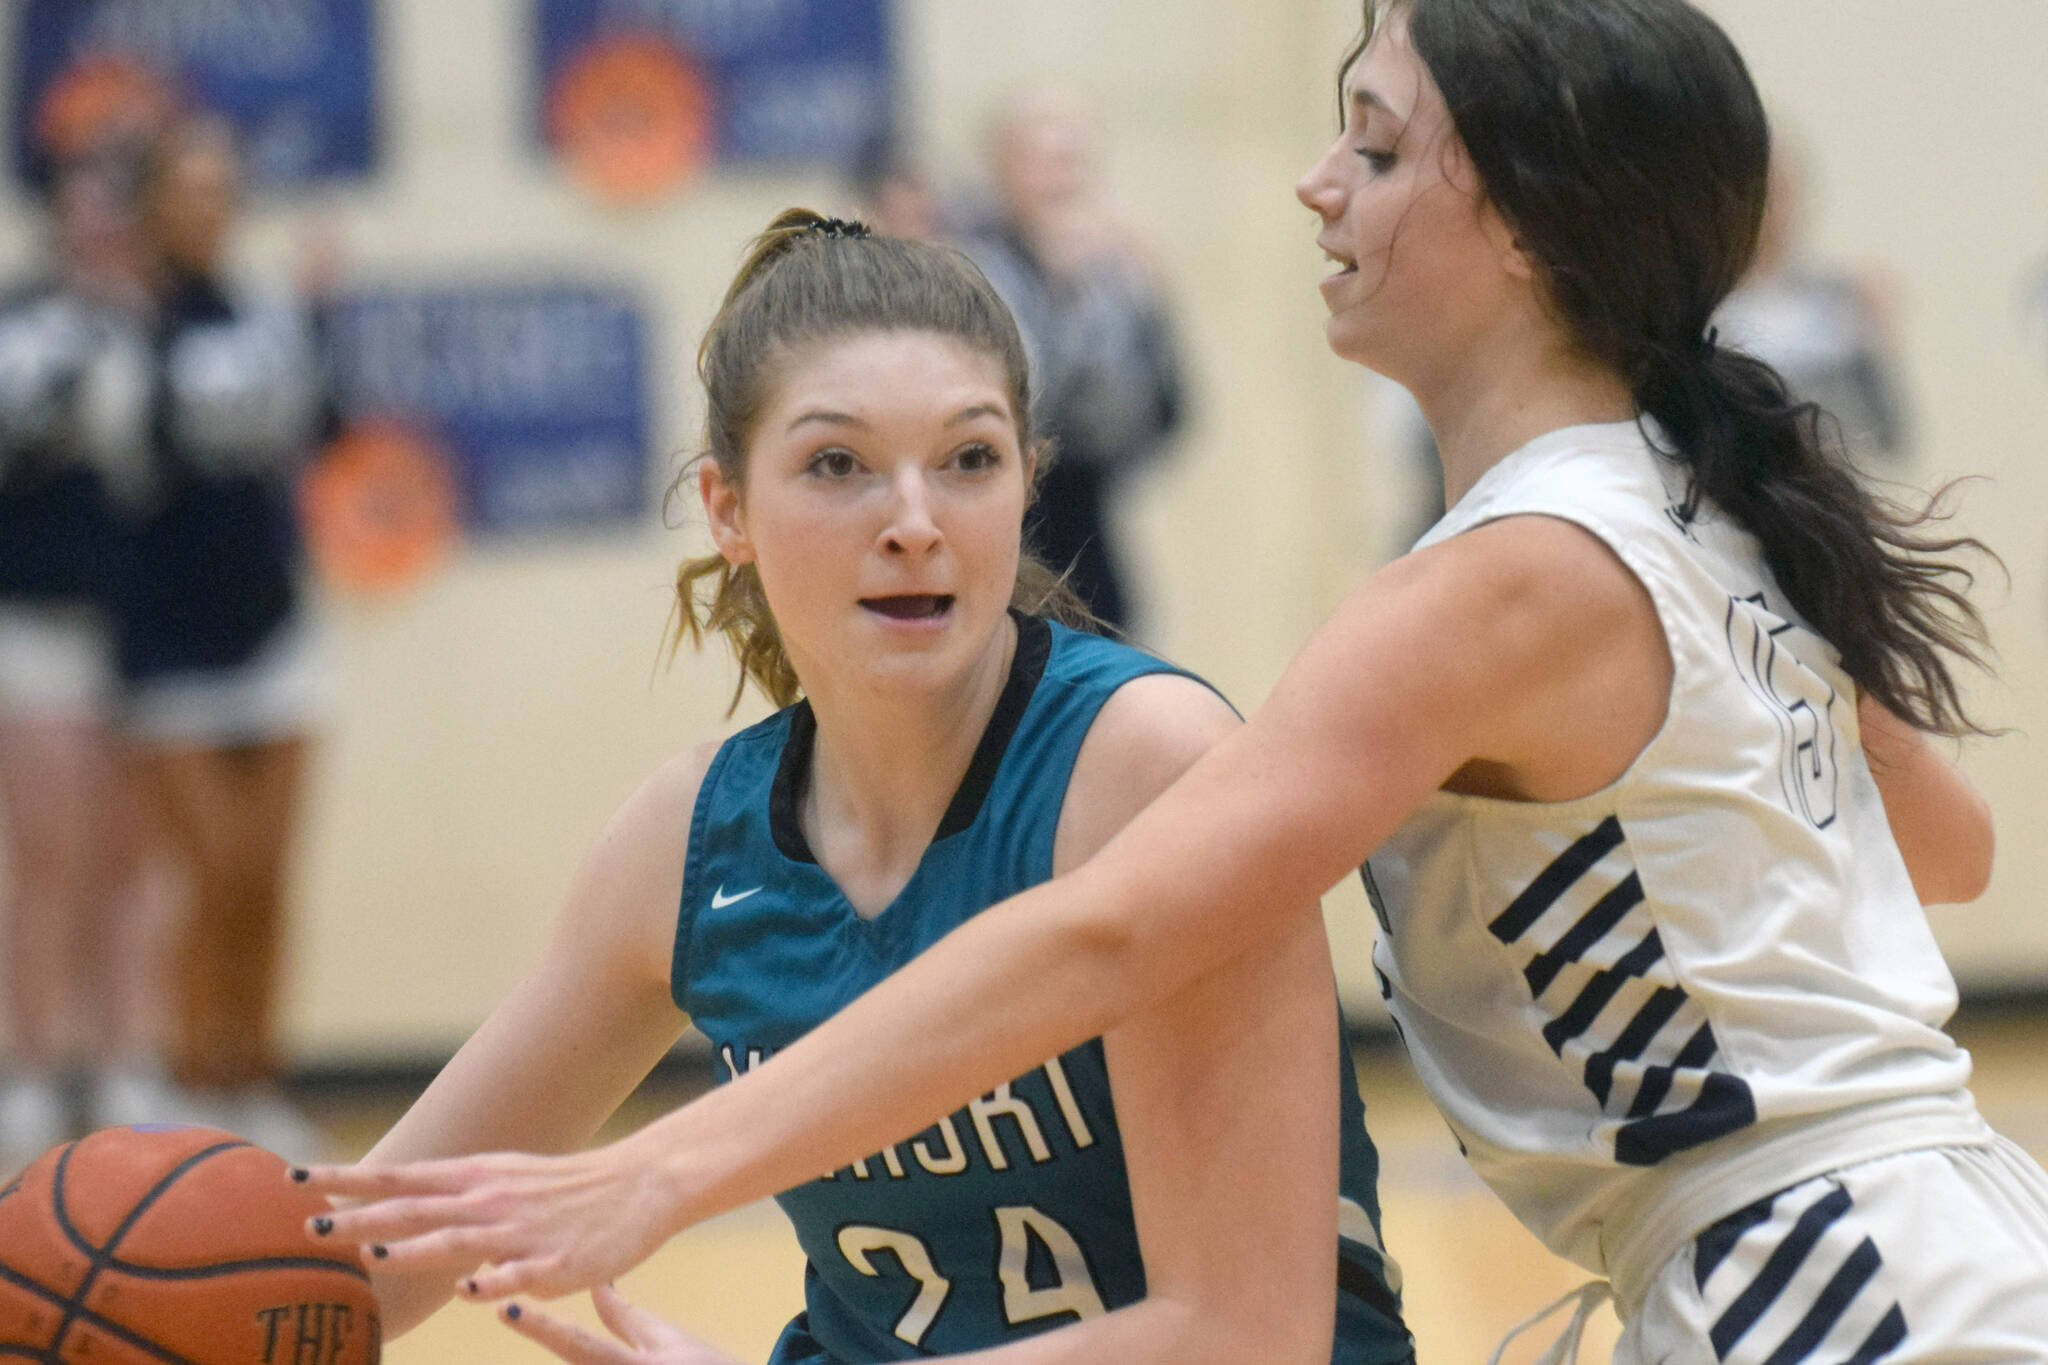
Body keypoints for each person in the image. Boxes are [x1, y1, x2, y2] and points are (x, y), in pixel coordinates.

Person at [306, 3, 2048, 1361]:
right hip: (1914, 1233)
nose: (1315, 185)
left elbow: (1112, 933)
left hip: (1824, 1281)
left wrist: (664, 1168)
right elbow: (1943, 851)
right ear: (729, 514)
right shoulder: (1674, 506)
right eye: (836, 470)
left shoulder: (1491, 582)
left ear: (1521, 221)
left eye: (1368, 147)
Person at [310, 209, 1413, 1363]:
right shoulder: (689, 847)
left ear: (1028, 485)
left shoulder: (1141, 762)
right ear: (726, 507)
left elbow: (1240, 1338)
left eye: (969, 460)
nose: (914, 522)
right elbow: (376, 1251)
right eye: (837, 464)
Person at [108, 112, 334, 1159]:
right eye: (187, 186)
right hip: (166, 645)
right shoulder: (113, 323)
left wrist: (326, 318)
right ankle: (193, 1080)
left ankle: (254, 1078)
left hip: (275, 626)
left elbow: (325, 428)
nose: (208, 203)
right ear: (152, 205)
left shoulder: (268, 316)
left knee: (266, 878)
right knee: (209, 875)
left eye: (220, 183)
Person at [0, 145, 164, 1172]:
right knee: (48, 855)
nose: (100, 225)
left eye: (119, 206)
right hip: (38, 620)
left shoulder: (170, 324)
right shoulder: (26, 326)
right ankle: (33, 1068)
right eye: (85, 206)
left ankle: (122, 1059)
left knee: (130, 860)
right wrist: (88, 333)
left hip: (147, 632)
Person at [962, 91, 1184, 635]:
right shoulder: (972, 271)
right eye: (1042, 162)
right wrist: (1060, 300)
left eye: (1072, 162)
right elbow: (1020, 414)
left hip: (1090, 534)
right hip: (1003, 540)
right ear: (1002, 173)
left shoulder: (1112, 276)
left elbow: (1164, 416)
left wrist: (1150, 301)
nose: (1060, 181)